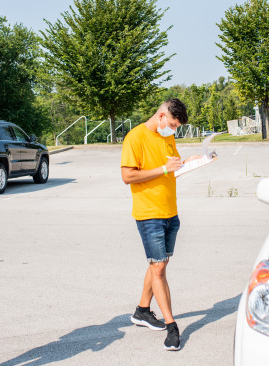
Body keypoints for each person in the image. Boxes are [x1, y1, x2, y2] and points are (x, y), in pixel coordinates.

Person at [120, 98, 201, 351]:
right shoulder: (135, 137)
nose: (174, 130)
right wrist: (163, 169)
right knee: (159, 269)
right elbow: (127, 176)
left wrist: (194, 161)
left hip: (170, 212)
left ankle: (142, 311)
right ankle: (171, 327)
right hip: (149, 213)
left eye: (177, 127)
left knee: (159, 265)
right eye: (174, 124)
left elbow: (172, 168)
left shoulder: (168, 137)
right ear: (162, 115)